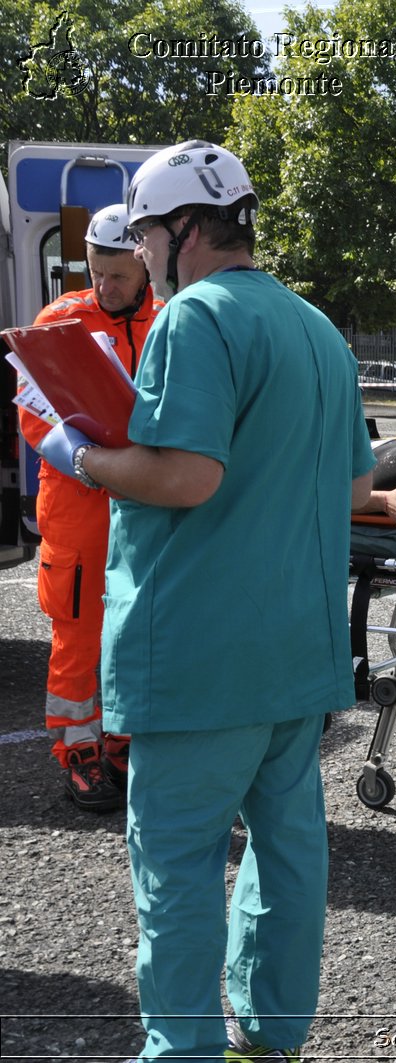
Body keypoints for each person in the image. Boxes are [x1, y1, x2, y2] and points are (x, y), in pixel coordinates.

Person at [36, 139, 375, 1061]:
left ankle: (180, 1050)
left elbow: (184, 476)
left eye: (144, 235)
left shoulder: (192, 321)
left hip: (202, 657)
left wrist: (83, 456)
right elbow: (350, 488)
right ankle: (270, 1040)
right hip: (296, 652)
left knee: (178, 864)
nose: (139, 255)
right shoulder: (316, 329)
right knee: (287, 854)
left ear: (183, 229)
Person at [17, 203, 160, 812]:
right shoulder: (59, 323)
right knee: (78, 634)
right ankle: (78, 753)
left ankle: (124, 741)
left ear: (145, 264)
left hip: (147, 505)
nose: (104, 288)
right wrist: (98, 463)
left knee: (138, 632)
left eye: (118, 276)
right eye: (96, 274)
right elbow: (32, 417)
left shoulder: (172, 319)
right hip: (79, 507)